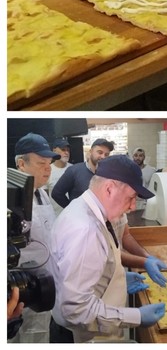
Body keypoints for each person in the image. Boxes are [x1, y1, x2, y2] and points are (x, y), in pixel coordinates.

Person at [48, 155, 166, 342]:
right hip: (82, 336)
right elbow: (76, 310)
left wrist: (114, 280)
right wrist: (136, 316)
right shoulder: (86, 230)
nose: (133, 206)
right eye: (132, 197)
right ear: (109, 188)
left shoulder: (88, 210)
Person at [12, 133, 61, 343]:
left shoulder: (41, 193)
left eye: (49, 163)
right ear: (21, 164)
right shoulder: (10, 198)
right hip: (20, 291)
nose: (48, 168)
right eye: (41, 163)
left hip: (43, 286)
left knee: (39, 338)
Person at [51, 137, 114, 208]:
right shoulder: (74, 171)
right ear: (90, 152)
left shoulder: (108, 175)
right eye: (100, 152)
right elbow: (57, 193)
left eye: (106, 154)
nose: (103, 157)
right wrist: (71, 209)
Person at [46, 138, 73, 215]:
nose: (66, 152)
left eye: (68, 150)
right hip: (55, 218)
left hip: (72, 217)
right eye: (63, 149)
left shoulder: (74, 169)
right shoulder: (47, 171)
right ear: (54, 151)